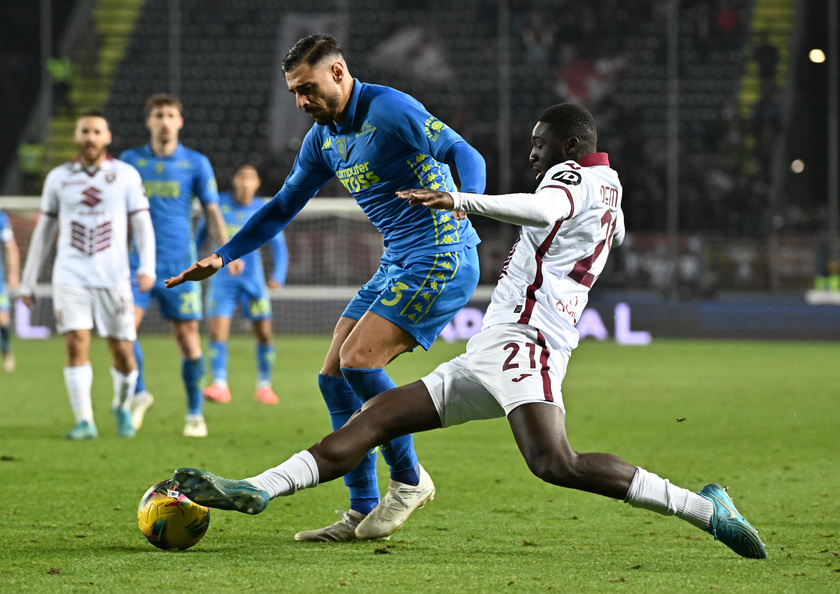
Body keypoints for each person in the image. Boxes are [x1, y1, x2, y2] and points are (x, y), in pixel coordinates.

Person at [171, 104, 767, 559]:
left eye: (538, 146)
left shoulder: (570, 180)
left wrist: (463, 201)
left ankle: (702, 507)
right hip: (492, 347)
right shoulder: (607, 185)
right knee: (374, 417)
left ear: (567, 145)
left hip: (525, 345)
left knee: (554, 462)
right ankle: (258, 488)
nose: (532, 156)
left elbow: (545, 210)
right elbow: (584, 229)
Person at [164, 33, 486, 541]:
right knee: (333, 378)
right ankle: (362, 507)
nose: (301, 102)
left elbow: (464, 152)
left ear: (338, 73)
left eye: (308, 88)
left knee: (360, 361)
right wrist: (223, 255)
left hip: (442, 255)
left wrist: (462, 200)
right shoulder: (323, 139)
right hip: (398, 260)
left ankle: (408, 480)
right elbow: (282, 206)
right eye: (294, 92)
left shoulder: (389, 109)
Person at [19, 111, 155, 439]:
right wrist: (28, 278)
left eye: (97, 132)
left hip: (113, 276)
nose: (90, 138)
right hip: (70, 275)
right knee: (76, 343)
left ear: (107, 137)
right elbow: (44, 231)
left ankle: (122, 405)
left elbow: (141, 225)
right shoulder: (59, 178)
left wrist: (147, 266)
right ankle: (84, 420)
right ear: (77, 137)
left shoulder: (125, 175)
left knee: (122, 350)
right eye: (85, 132)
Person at [119, 94, 242, 438]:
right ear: (149, 121)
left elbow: (213, 211)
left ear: (180, 122)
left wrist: (228, 253)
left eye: (170, 115)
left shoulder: (196, 163)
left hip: (180, 266)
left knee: (188, 341)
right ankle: (141, 393)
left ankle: (194, 414)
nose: (164, 120)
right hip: (137, 263)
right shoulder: (129, 162)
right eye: (158, 114)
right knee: (123, 332)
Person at [196, 163, 288, 405]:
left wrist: (278, 274)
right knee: (217, 331)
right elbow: (200, 235)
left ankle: (265, 386)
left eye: (251, 178)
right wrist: (193, 264)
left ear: (257, 183)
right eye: (242, 177)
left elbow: (279, 246)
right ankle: (219, 384)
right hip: (222, 281)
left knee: (264, 333)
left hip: (253, 282)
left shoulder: (264, 209)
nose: (246, 182)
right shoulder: (218, 206)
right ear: (234, 181)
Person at [0, 210, 20, 372]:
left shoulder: (1, 219)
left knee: (3, 321)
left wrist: (13, 273)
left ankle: (6, 351)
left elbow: (11, 247)